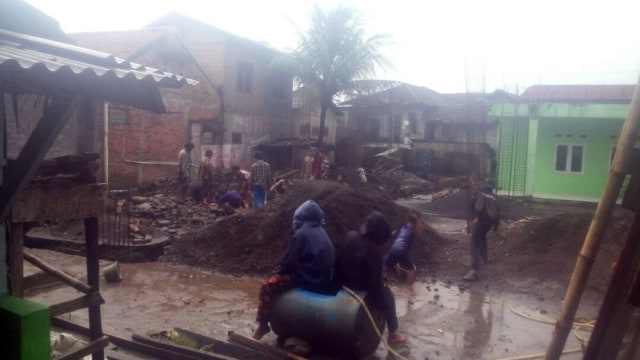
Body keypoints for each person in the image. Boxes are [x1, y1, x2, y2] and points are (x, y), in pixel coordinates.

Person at [252, 200, 335, 340]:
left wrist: (278, 273)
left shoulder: (302, 233)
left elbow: (290, 261)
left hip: (307, 280)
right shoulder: (322, 232)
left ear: (302, 218)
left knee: (267, 285)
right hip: (323, 280)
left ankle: (263, 325)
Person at [336, 211, 407, 344]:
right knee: (388, 296)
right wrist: (382, 305)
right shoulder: (374, 252)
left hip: (341, 283)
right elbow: (374, 287)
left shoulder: (349, 236)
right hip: (358, 289)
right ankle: (393, 334)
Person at [463, 175, 500, 281]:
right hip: (492, 220)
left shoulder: (478, 189)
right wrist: (496, 224)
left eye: (471, 181)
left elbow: (479, 204)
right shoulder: (490, 191)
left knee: (474, 240)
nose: (470, 184)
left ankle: (474, 270)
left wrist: (476, 217)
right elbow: (497, 206)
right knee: (482, 236)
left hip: (483, 218)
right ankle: (484, 258)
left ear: (475, 181)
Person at [383, 212, 424, 292]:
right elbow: (420, 234)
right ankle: (409, 290)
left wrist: (386, 240)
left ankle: (374, 279)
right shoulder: (413, 228)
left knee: (385, 267)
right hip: (402, 251)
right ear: (415, 222)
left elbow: (392, 234)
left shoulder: (403, 227)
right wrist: (419, 222)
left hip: (394, 249)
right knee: (411, 270)